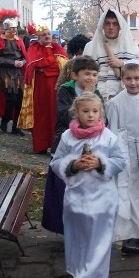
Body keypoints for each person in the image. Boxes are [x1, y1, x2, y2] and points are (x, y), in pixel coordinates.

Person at [50, 92, 127, 278]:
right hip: (77, 197)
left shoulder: (109, 137)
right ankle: (79, 273)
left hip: (103, 198)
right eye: (85, 111)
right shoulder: (67, 137)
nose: (91, 115)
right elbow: (56, 163)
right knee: (78, 237)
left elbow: (120, 161)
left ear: (101, 112)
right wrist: (72, 165)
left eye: (95, 111)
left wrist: (101, 164)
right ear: (76, 113)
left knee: (99, 239)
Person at [42, 56, 104, 235]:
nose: (91, 78)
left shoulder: (97, 92)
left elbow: (101, 118)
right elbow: (64, 116)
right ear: (75, 75)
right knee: (63, 189)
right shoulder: (65, 90)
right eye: (87, 74)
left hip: (89, 146)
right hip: (66, 143)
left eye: (94, 74)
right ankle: (63, 227)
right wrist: (86, 98)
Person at [106, 61, 139, 255]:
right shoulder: (115, 102)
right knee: (130, 192)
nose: (133, 83)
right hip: (126, 150)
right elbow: (113, 130)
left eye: (137, 78)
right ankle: (134, 233)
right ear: (122, 80)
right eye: (128, 79)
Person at [21, 26, 68, 154]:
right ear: (39, 37)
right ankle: (41, 145)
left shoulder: (57, 48)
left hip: (56, 88)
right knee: (41, 115)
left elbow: (66, 65)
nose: (47, 36)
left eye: (48, 34)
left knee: (55, 115)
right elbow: (33, 65)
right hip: (40, 88)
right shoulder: (34, 48)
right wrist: (52, 62)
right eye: (44, 35)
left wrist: (46, 65)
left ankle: (56, 145)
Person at [83, 9, 139, 102]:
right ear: (102, 25)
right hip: (97, 99)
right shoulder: (91, 47)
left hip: (124, 98)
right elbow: (83, 73)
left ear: (120, 26)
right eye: (107, 23)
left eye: (115, 24)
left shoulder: (131, 47)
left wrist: (122, 64)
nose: (111, 27)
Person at [0, 18, 28, 136]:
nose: (14, 30)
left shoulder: (19, 41)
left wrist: (22, 62)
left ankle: (16, 127)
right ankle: (5, 120)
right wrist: (12, 62)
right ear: (6, 28)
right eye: (12, 28)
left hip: (18, 73)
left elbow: (25, 56)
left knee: (19, 100)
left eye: (15, 28)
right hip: (5, 73)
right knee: (11, 98)